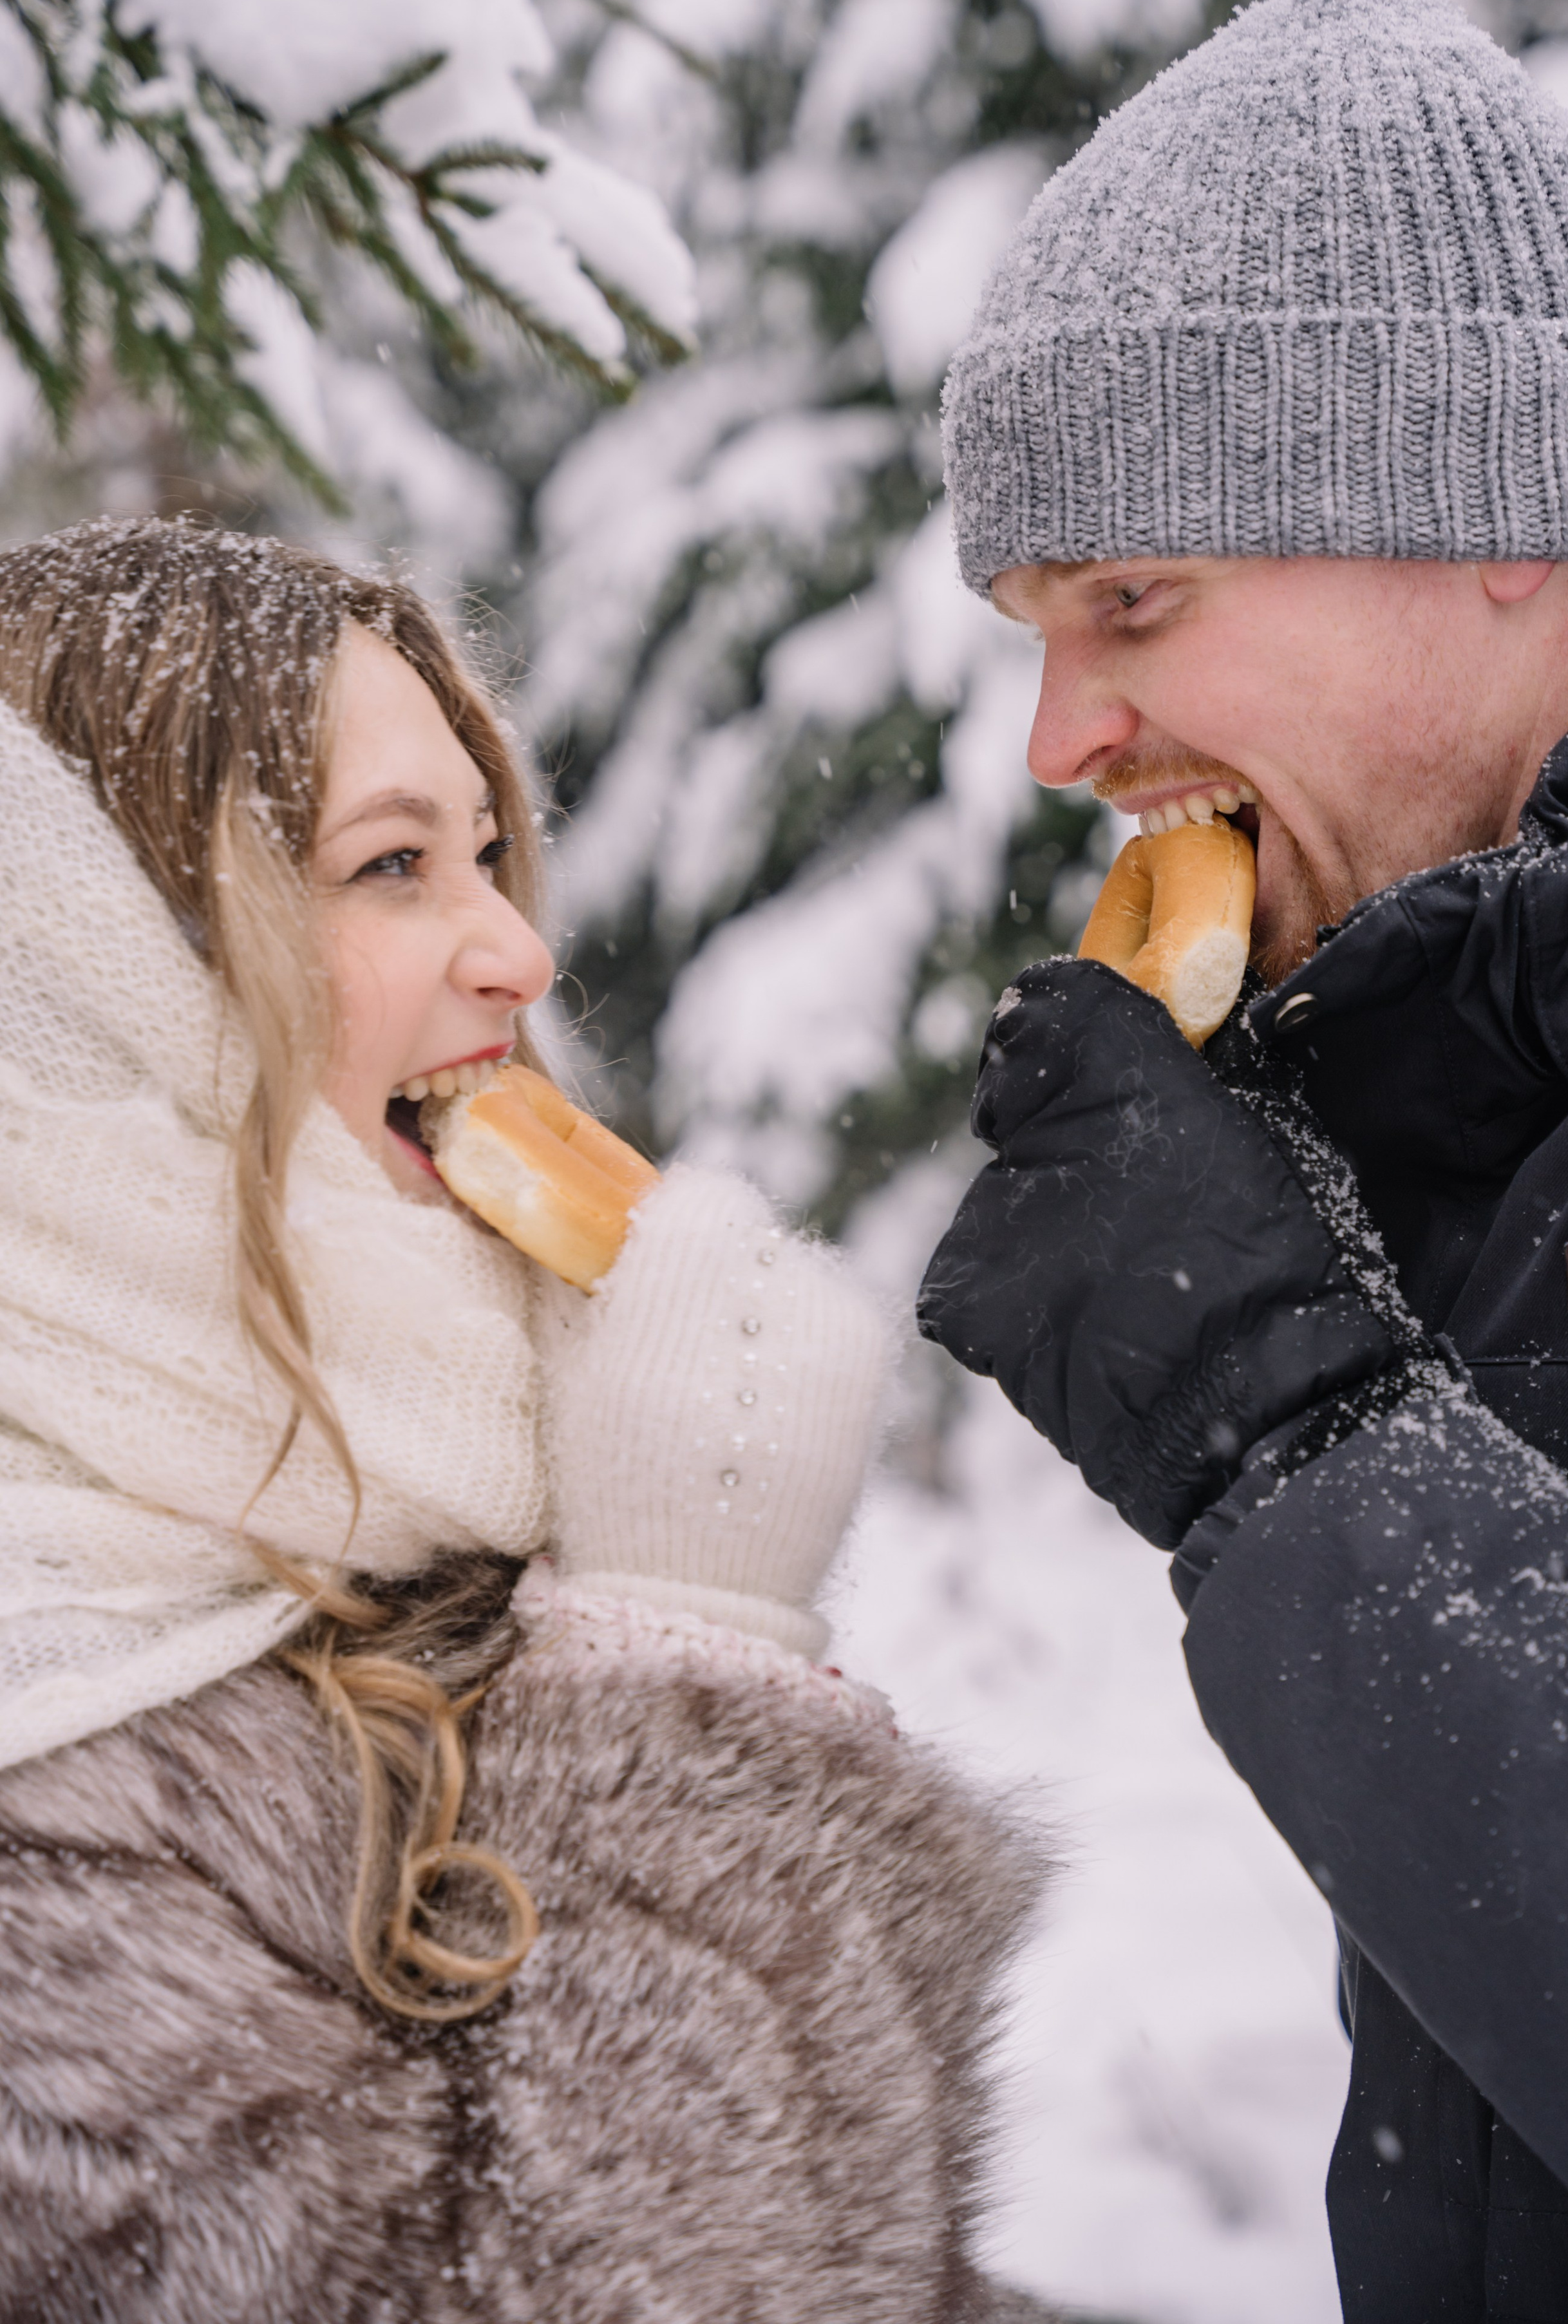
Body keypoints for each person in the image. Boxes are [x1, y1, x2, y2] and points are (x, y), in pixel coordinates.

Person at [0, 515, 1055, 2324]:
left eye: (486, 857)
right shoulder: (46, 1748)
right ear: (99, 979)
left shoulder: (403, 1499)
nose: (515, 953)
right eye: (391, 866)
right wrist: (689, 1660)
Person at [919, 0, 1568, 2321]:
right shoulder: (1519, 1074)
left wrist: (1275, 1406)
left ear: (1497, 518)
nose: (1060, 733)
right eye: (1034, 625)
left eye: (1134, 596)